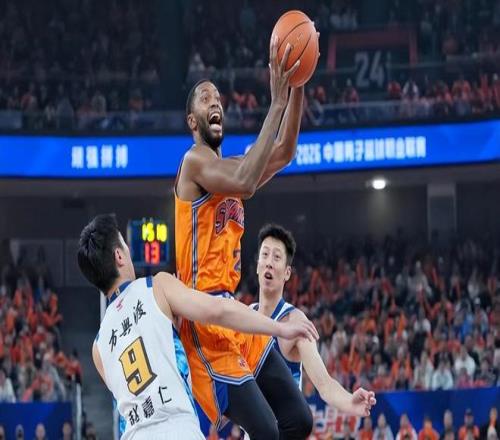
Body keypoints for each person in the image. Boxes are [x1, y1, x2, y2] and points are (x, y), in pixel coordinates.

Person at [175, 35, 318, 439]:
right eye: (205, 98)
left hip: (233, 311)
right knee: (268, 430)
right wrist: (276, 102)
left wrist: (297, 82)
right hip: (204, 317)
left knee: (299, 419)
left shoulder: (236, 166)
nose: (215, 102)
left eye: (218, 98)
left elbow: (285, 151)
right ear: (192, 121)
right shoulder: (194, 163)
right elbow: (246, 182)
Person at [77, 214, 317, 440]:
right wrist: (278, 328)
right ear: (119, 256)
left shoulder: (98, 349)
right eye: (125, 246)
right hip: (177, 428)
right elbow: (219, 310)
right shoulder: (156, 287)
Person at [252, 224, 376, 415]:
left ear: (287, 273)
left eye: (276, 257)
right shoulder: (245, 316)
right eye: (265, 254)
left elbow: (324, 385)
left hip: (284, 428)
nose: (269, 262)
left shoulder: (295, 321)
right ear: (258, 265)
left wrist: (349, 402)